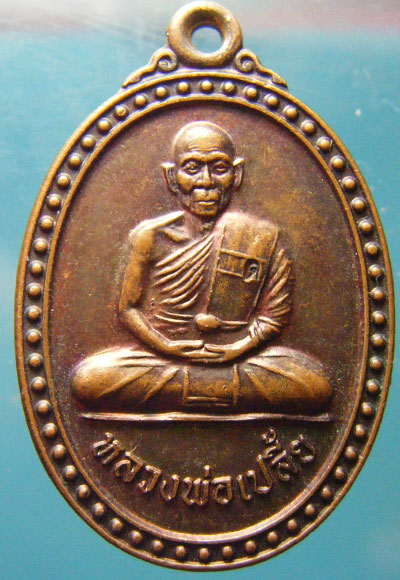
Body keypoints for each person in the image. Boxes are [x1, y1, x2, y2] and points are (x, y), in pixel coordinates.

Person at [71, 121, 332, 414]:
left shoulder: (263, 238)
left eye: (219, 168)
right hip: (162, 360)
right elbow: (127, 310)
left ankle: (191, 389)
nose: (206, 182)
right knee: (88, 380)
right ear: (172, 177)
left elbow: (274, 320)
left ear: (237, 174)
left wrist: (234, 351)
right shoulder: (149, 237)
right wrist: (167, 347)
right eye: (192, 168)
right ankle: (219, 390)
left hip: (238, 359)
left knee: (315, 385)